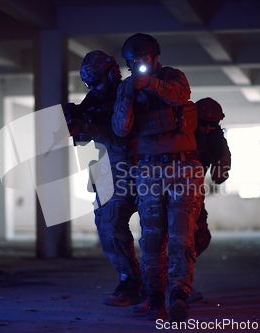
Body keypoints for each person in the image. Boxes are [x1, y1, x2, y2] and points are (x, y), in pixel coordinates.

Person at [112, 33, 204, 322]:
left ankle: (179, 294)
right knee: (152, 239)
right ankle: (155, 298)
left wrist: (149, 83)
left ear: (155, 57)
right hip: (149, 170)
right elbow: (120, 128)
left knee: (181, 237)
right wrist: (128, 95)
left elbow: (181, 95)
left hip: (183, 168)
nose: (139, 65)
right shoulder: (127, 87)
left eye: (144, 60)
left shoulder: (172, 77)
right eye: (133, 62)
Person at [64, 50, 143, 308]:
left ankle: (170, 288)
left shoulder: (132, 94)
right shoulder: (96, 97)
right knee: (109, 229)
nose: (94, 88)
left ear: (112, 74)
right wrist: (75, 123)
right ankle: (131, 282)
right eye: (90, 84)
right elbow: (84, 136)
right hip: (112, 170)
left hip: (143, 168)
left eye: (97, 81)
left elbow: (122, 136)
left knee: (161, 234)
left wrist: (86, 126)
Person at [189, 97, 231, 301]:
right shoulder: (181, 133)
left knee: (200, 238)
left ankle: (175, 279)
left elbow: (219, 177)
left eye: (212, 124)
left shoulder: (215, 138)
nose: (207, 128)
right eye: (202, 123)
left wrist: (221, 155)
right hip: (165, 193)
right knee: (159, 242)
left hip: (193, 195)